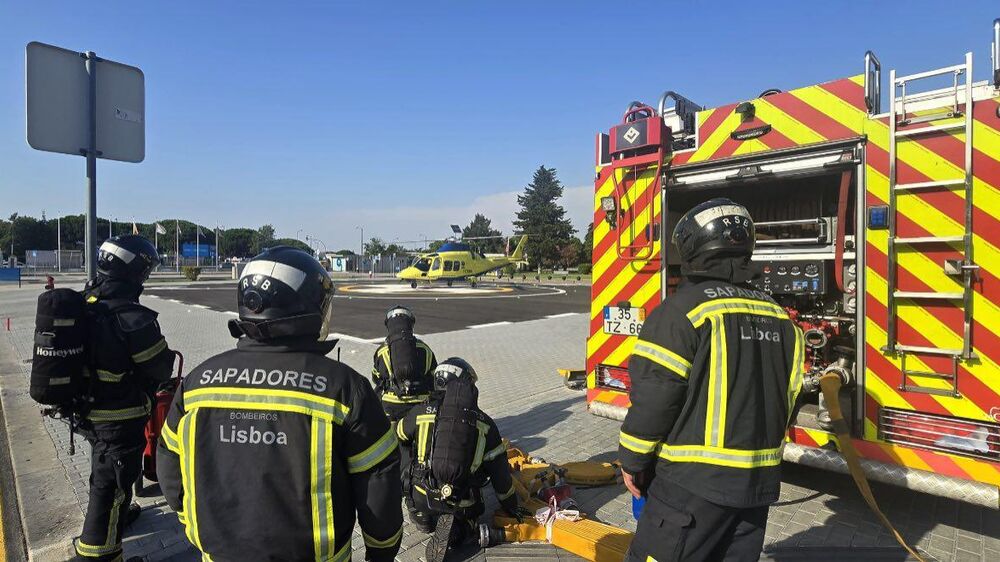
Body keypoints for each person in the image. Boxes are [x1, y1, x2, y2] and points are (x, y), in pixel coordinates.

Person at [156, 246, 402, 561]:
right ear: (307, 308)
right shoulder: (345, 389)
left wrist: (200, 525)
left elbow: (169, 467)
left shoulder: (197, 382)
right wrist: (382, 552)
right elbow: (379, 484)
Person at [618, 198, 804, 562]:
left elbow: (656, 396)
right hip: (756, 488)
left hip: (690, 488)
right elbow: (789, 397)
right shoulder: (782, 318)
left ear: (690, 248)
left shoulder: (681, 312)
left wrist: (632, 461)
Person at [73, 235, 176, 562]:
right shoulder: (134, 317)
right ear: (134, 273)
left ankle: (119, 514)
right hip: (119, 415)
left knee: (104, 473)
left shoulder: (83, 303)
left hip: (87, 410)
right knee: (110, 489)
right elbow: (160, 367)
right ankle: (99, 553)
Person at [397, 357, 525, 562]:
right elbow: (500, 476)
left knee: (404, 446)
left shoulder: (420, 412)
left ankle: (419, 513)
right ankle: (461, 529)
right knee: (473, 507)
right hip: (461, 500)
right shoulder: (484, 423)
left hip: (421, 494)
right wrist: (511, 505)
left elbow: (399, 435)